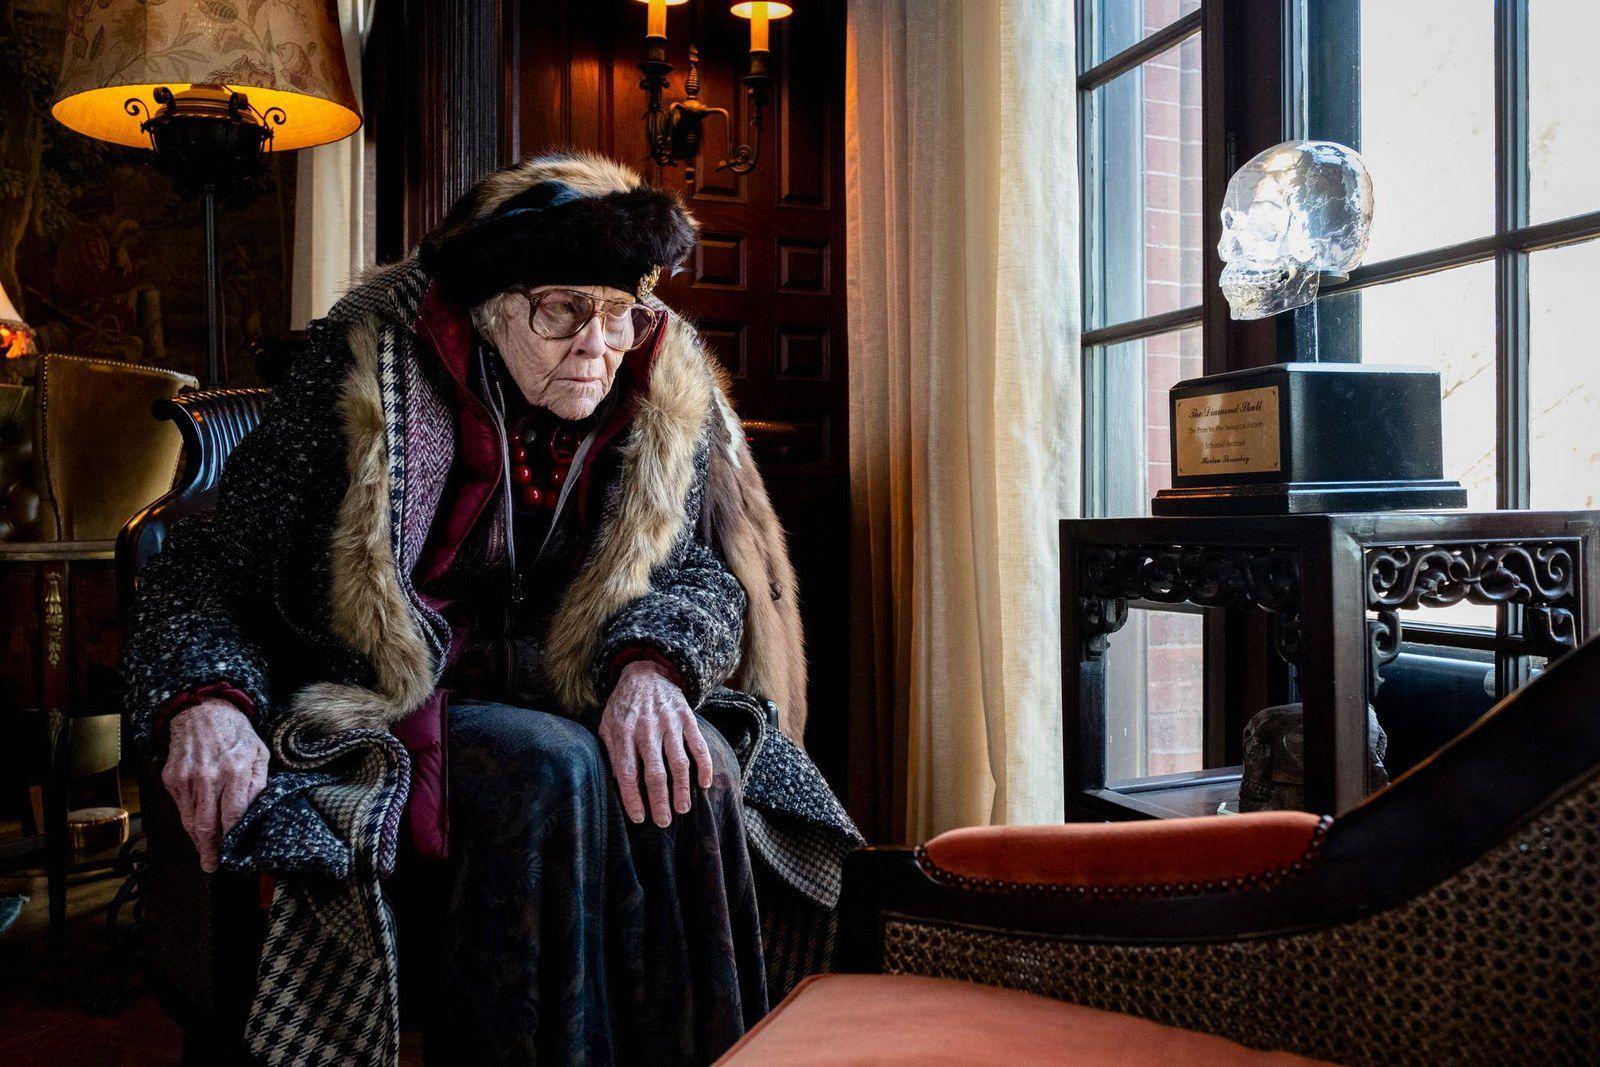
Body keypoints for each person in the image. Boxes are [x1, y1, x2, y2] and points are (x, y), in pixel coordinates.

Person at [122, 153, 849, 1065]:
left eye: (617, 312)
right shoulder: (364, 383)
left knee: (695, 766)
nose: (597, 342)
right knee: (550, 767)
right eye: (561, 310)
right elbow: (203, 567)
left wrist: (653, 666)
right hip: (398, 698)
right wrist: (207, 703)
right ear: (492, 309)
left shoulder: (655, 389)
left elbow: (696, 574)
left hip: (572, 678)